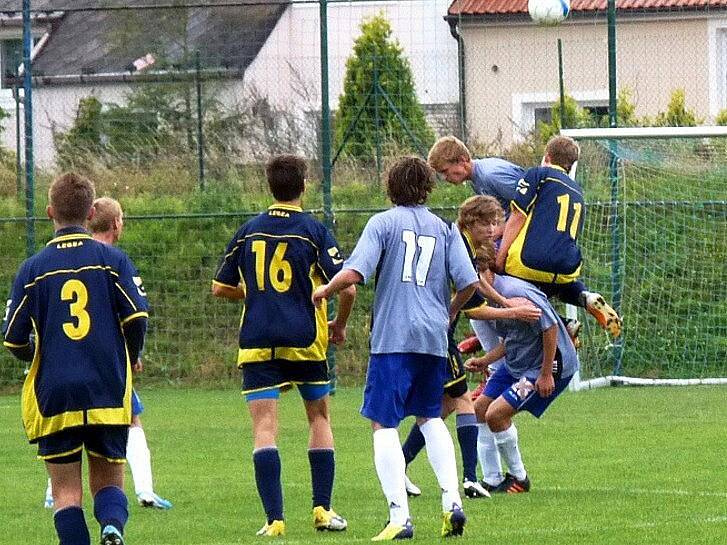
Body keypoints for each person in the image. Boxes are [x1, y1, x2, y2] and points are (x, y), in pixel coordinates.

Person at [312, 156, 478, 540]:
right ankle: (452, 502)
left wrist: (325, 289)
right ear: (427, 188)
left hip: (394, 338)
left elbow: (356, 272)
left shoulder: (383, 223)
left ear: (390, 188)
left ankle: (399, 517)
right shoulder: (444, 228)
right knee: (430, 417)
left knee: (383, 423)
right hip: (433, 339)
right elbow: (468, 282)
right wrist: (447, 313)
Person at [212, 154, 355, 537]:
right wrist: (338, 326)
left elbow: (219, 286)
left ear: (269, 186)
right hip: (304, 340)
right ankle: (322, 510)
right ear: (304, 186)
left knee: (264, 428)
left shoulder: (248, 231)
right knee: (319, 418)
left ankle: (274, 520)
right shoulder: (313, 231)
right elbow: (349, 286)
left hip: (258, 340)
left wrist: (254, 295)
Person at [3, 173, 148, 545]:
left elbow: (12, 338)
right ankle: (112, 528)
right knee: (108, 481)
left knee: (66, 493)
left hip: (55, 394)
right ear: (91, 212)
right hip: (106, 388)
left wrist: (39, 354)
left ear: (50, 211)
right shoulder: (113, 260)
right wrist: (129, 356)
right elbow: (137, 317)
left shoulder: (32, 269)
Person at [400, 195, 541, 500]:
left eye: (496, 222)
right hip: (436, 332)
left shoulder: (457, 241)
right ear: (469, 222)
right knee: (461, 400)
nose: (493, 229)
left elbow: (476, 285)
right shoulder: (458, 245)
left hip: (428, 328)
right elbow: (474, 307)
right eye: (486, 223)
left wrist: (503, 302)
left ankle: (402, 465)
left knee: (445, 404)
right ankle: (469, 478)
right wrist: (512, 311)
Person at [429, 134, 621, 337]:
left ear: (462, 161)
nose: (445, 178)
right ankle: (573, 310)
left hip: (523, 245)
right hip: (555, 253)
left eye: (444, 171)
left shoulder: (491, 174)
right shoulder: (480, 177)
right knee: (538, 285)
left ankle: (552, 326)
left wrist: (499, 252)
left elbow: (528, 208)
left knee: (489, 281)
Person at [464, 241, 579, 494]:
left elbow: (548, 328)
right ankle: (492, 479)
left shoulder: (515, 293)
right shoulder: (485, 300)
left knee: (496, 414)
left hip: (547, 365)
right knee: (478, 410)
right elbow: (512, 339)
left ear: (487, 272)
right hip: (517, 362)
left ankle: (519, 478)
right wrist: (485, 360)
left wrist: (546, 373)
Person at [495, 135, 621, 336]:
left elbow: (518, 215)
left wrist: (500, 260)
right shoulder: (578, 192)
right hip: (566, 267)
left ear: (547, 156)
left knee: (499, 289)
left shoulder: (538, 175)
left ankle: (562, 325)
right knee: (553, 286)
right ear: (571, 165)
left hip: (530, 261)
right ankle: (585, 297)